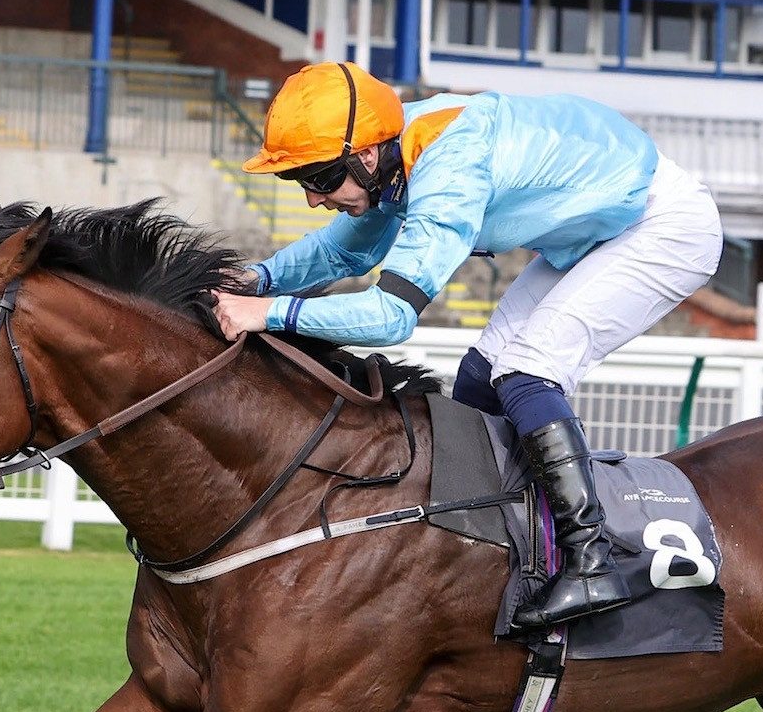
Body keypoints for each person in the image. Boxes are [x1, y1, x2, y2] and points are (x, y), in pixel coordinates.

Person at [214, 62, 723, 631]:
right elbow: (344, 252)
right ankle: (496, 549)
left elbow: (391, 315)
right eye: (299, 181)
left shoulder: (448, 162)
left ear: (362, 157)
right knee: (481, 377)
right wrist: (256, 280)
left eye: (320, 178)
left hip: (662, 225)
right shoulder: (390, 148)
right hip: (597, 229)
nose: (312, 199)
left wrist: (268, 313)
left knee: (528, 372)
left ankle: (592, 558)